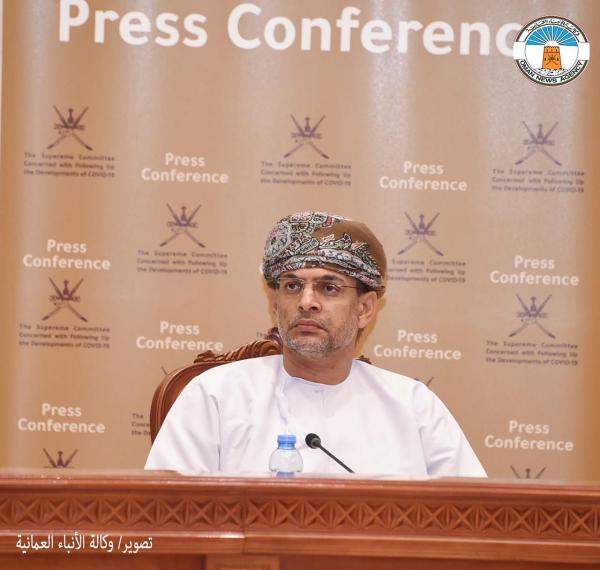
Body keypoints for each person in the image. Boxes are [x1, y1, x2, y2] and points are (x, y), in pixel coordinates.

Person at [145, 211, 486, 477]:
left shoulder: (414, 408)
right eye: (292, 286)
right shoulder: (214, 396)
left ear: (365, 309)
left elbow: (471, 520)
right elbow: (166, 518)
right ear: (275, 302)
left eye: (329, 288)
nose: (307, 302)